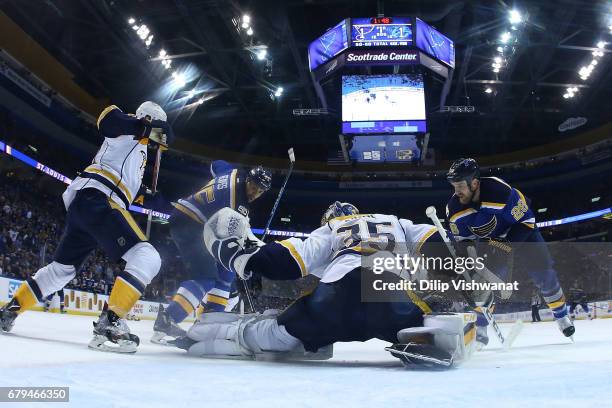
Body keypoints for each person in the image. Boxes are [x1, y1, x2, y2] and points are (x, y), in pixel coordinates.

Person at [174, 202, 479, 369]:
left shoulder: (332, 228)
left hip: (337, 297)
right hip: (391, 294)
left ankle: (233, 333)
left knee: (275, 334)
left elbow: (289, 261)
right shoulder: (395, 219)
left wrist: (246, 257)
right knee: (422, 314)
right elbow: (438, 244)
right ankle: (438, 332)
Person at [0, 102, 173, 353]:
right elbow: (107, 119)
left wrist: (144, 195)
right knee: (147, 256)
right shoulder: (130, 127)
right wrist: (146, 126)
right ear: (148, 119)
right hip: (99, 199)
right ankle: (110, 324)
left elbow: (131, 180)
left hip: (87, 204)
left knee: (61, 271)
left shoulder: (138, 150)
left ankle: (9, 311)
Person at [445, 158, 574, 343]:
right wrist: (469, 260)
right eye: (454, 186)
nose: (456, 192)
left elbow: (527, 220)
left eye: (459, 186)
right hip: (490, 242)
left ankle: (561, 316)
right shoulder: (454, 209)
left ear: (474, 183)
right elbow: (465, 242)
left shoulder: (500, 192)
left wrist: (507, 245)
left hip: (521, 232)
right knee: (480, 283)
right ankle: (480, 328)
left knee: (544, 274)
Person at [151, 162, 272, 344]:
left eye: (260, 191)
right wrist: (250, 257)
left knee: (226, 273)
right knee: (205, 279)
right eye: (253, 187)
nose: (254, 194)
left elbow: (216, 164)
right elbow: (236, 238)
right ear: (247, 180)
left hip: (188, 219)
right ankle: (167, 320)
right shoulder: (237, 205)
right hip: (193, 225)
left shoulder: (231, 171)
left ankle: (207, 324)